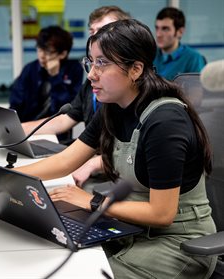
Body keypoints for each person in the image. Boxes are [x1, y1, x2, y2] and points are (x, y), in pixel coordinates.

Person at [16, 19, 217, 278]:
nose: (91, 74)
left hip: (178, 244)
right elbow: (66, 160)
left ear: (135, 69)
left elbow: (162, 213)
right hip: (131, 230)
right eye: (90, 62)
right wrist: (0, 176)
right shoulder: (113, 107)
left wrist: (93, 202)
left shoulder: (165, 121)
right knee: (51, 253)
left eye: (102, 63)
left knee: (78, 272)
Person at [21, 6, 130, 186]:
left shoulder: (131, 97)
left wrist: (94, 163)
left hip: (115, 178)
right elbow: (66, 120)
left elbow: (133, 155)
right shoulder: (93, 84)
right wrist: (19, 131)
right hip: (92, 163)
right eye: (92, 32)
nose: (95, 38)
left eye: (103, 31)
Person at [9, 25, 83, 125]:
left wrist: (55, 76)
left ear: (63, 54)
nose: (42, 56)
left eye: (48, 52)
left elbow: (68, 110)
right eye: (39, 49)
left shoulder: (73, 69)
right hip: (26, 127)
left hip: (58, 131)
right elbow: (15, 103)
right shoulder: (30, 69)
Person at [153, 7, 206, 80]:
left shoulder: (193, 59)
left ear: (180, 32)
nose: (158, 34)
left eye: (165, 29)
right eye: (157, 28)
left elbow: (197, 90)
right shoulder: (151, 56)